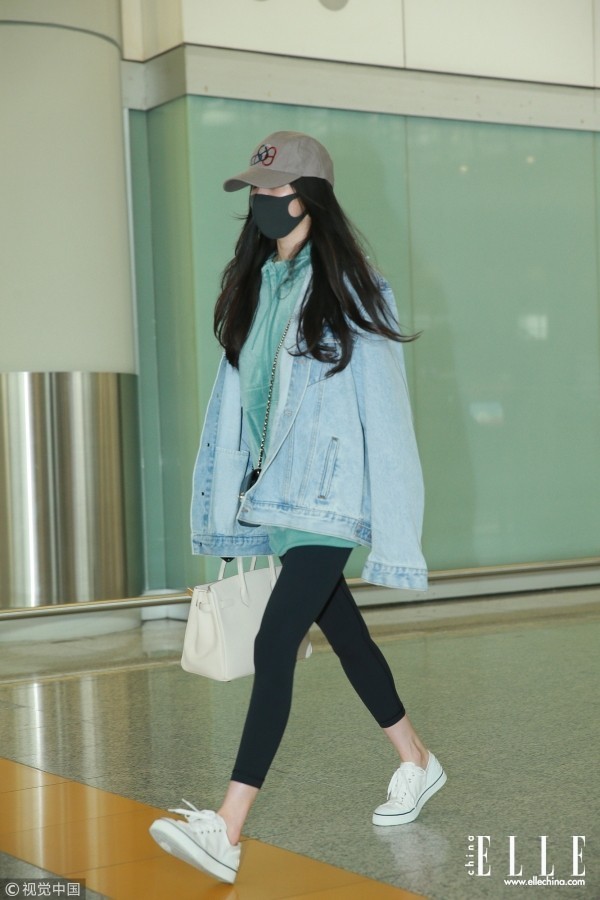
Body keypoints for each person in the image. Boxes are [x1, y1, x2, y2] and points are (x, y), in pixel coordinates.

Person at [149, 131, 446, 884]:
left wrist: (397, 531)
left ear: (309, 196)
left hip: (328, 495)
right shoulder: (255, 286)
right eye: (254, 191)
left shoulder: (352, 286)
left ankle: (228, 826)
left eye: (274, 190)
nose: (261, 202)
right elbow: (244, 405)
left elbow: (387, 416)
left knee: (275, 641)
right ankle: (416, 759)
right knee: (346, 635)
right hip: (275, 494)